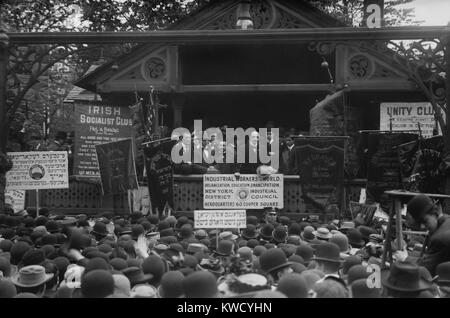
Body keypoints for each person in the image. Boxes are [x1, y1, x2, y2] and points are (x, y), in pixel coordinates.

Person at [405, 194, 450, 275]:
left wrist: (405, 258)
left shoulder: (440, 239)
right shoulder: (447, 219)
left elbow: (424, 269)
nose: (422, 227)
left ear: (435, 212)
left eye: (424, 221)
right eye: (419, 223)